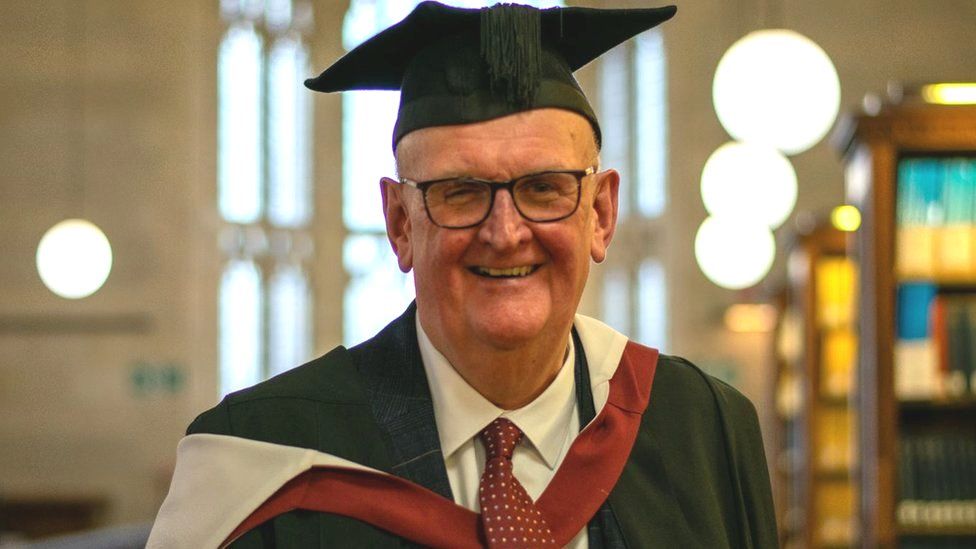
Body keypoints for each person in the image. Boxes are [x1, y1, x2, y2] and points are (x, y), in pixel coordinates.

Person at [148, 2, 777, 547]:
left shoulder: (705, 430)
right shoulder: (263, 458)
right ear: (399, 223)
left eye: (544, 188)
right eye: (459, 192)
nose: (504, 232)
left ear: (601, 215)